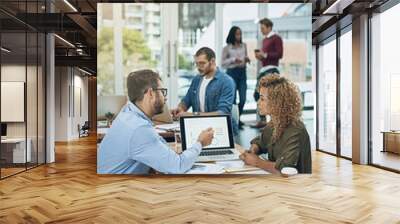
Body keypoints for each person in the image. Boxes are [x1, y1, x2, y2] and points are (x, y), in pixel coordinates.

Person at [98, 69, 214, 174]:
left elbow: (155, 145)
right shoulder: (139, 128)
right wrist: (200, 143)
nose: (165, 97)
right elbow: (177, 167)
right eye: (163, 92)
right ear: (151, 93)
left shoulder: (127, 113)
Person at [240, 74, 312, 174]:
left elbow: (285, 169)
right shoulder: (274, 123)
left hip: (295, 186)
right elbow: (261, 142)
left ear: (276, 102)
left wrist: (256, 162)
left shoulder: (296, 130)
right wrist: (254, 149)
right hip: (278, 183)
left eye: (262, 99)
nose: (258, 103)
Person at [171, 47, 238, 134]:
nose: (199, 67)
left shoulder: (226, 81)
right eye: (197, 64)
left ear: (212, 61)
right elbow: (186, 100)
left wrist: (192, 115)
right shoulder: (196, 80)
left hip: (220, 131)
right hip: (199, 128)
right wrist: (180, 108)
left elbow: (222, 113)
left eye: (202, 63)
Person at [252, 18, 283, 129]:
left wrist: (264, 55)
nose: (261, 30)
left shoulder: (276, 38)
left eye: (263, 28)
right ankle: (263, 120)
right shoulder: (265, 40)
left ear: (269, 27)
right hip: (264, 69)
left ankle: (274, 121)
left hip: (272, 69)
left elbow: (279, 54)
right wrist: (260, 56)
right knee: (257, 94)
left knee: (270, 95)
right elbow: (266, 56)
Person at [221, 26, 250, 129]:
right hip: (231, 73)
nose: (239, 36)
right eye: (237, 34)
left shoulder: (244, 45)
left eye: (240, 34)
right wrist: (233, 59)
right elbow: (223, 63)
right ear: (232, 35)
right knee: (232, 100)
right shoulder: (227, 48)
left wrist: (246, 59)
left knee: (243, 99)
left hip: (242, 73)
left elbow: (245, 57)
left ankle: (238, 118)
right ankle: (233, 122)